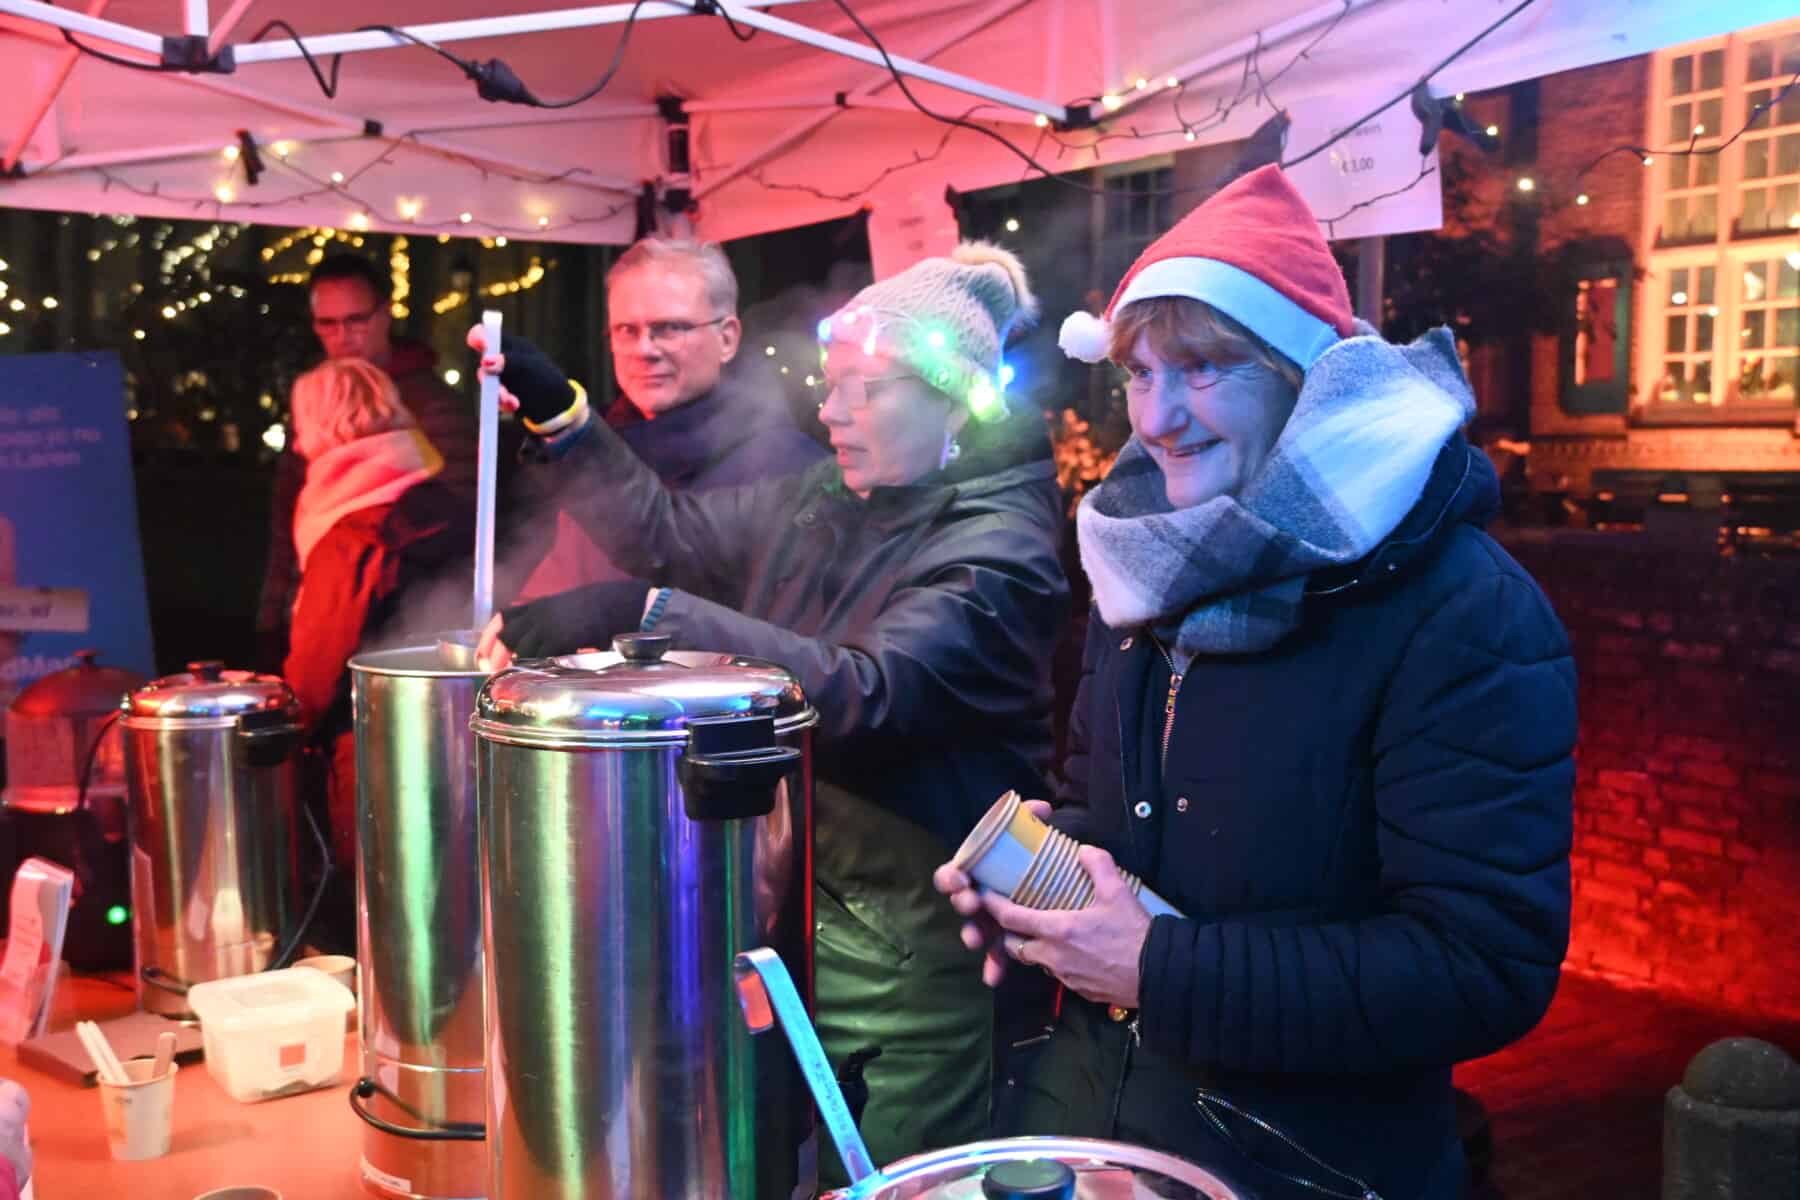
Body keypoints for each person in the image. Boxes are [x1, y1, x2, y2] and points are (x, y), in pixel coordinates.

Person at [934, 165, 1576, 1200]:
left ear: (1298, 375)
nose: (1158, 417)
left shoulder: (1462, 611)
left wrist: (1158, 969)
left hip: (1307, 1163)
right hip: (1104, 1135)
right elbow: (1115, 817)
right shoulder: (1136, 571)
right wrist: (1045, 896)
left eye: (1202, 369)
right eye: (1139, 374)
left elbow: (1483, 966)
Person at [471, 243, 1069, 1177]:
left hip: (930, 957)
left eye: (865, 390)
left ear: (955, 399)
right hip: (810, 919)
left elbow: (863, 691)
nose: (832, 411)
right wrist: (563, 415)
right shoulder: (831, 495)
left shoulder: (1002, 552)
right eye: (831, 386)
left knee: (908, 1176)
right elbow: (667, 533)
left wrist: (645, 617)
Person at [510, 237, 824, 601]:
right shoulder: (601, 451)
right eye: (627, 330)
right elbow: (557, 587)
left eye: (671, 328)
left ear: (727, 339)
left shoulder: (788, 468)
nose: (645, 350)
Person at [282, 358, 471, 940]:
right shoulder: (447, 504)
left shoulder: (354, 532)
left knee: (381, 928)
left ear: (319, 426)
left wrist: (282, 726)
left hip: (371, 760)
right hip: (467, 741)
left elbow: (315, 676)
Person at [255, 255, 477, 669]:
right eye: (328, 323)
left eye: (356, 320)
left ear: (384, 315)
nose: (343, 336)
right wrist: (273, 623)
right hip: (319, 619)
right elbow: (288, 524)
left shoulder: (434, 408)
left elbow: (456, 532)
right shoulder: (317, 399)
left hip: (400, 638)